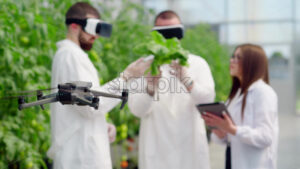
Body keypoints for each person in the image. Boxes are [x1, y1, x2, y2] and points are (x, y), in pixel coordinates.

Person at [47, 2, 151, 169]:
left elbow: (81, 106)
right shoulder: (70, 56)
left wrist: (102, 126)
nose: (96, 36)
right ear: (74, 26)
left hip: (81, 153)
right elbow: (89, 104)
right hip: (79, 158)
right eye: (92, 28)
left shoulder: (73, 56)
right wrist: (126, 77)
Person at [128, 10, 215, 169]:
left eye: (173, 33)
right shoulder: (142, 66)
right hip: (156, 153)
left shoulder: (197, 64)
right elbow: (136, 110)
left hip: (190, 151)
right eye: (163, 34)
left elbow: (208, 100)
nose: (169, 40)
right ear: (154, 35)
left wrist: (187, 81)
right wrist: (150, 90)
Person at [202, 44, 278, 169]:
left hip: (255, 163)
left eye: (238, 58)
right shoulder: (236, 94)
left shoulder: (263, 92)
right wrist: (220, 130)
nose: (232, 60)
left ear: (251, 63)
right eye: (233, 57)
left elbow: (266, 136)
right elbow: (231, 137)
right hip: (232, 159)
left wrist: (232, 129)